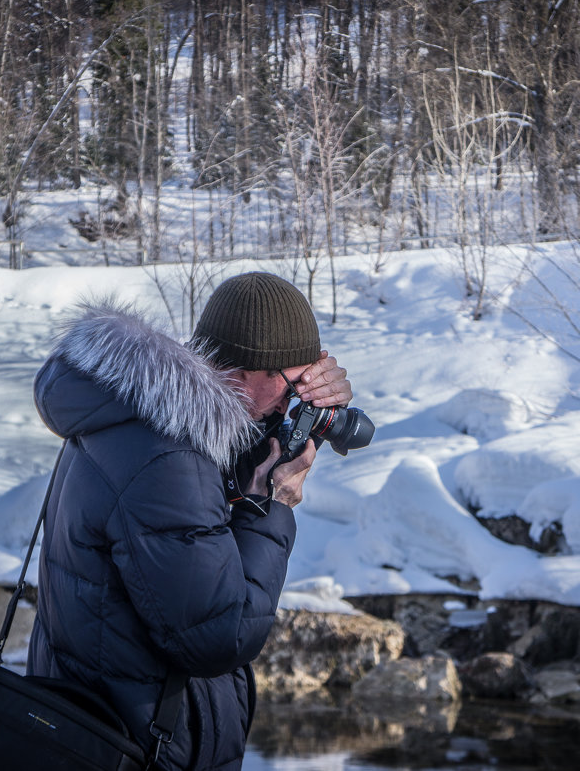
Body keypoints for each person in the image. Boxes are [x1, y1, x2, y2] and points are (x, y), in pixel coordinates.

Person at [26, 272, 351, 770]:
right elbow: (220, 636)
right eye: (292, 385)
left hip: (104, 734)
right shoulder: (167, 460)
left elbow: (198, 515)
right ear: (245, 371)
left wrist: (296, 429)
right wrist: (275, 502)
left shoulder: (138, 417)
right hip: (136, 748)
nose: (295, 403)